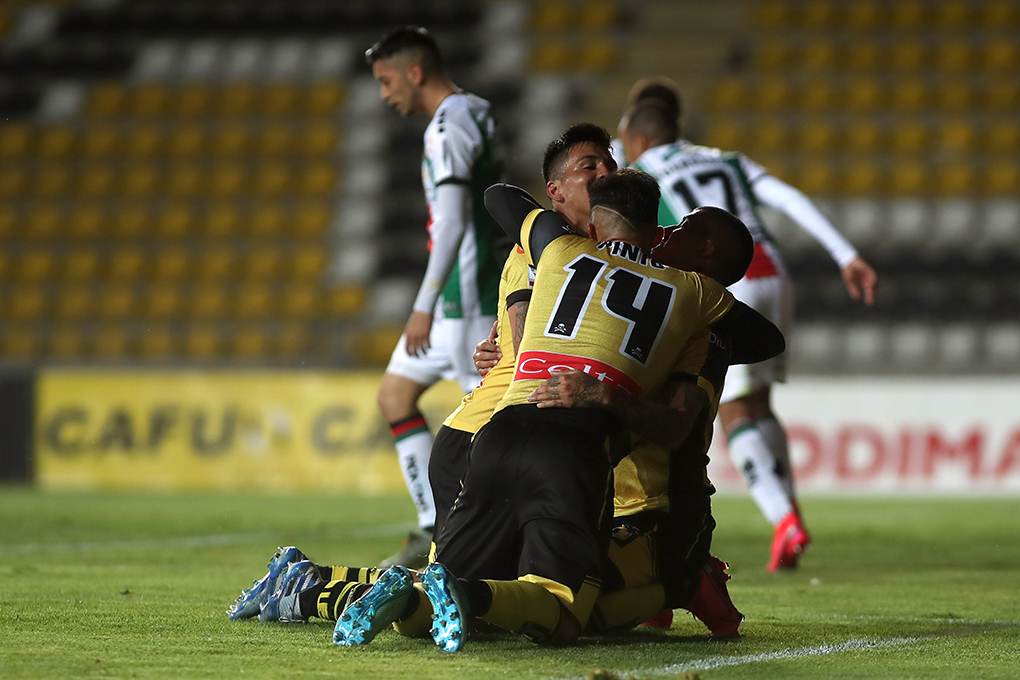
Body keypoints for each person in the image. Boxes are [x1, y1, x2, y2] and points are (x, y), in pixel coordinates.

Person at [334, 170, 756, 652]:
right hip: (573, 452)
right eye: (667, 224)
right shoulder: (696, 296)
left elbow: (501, 198)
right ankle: (464, 593)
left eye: (681, 228)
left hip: (494, 436)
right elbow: (764, 339)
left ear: (594, 226)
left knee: (453, 590)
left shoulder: (556, 251)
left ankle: (408, 600)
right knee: (567, 614)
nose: (669, 231)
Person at [225, 123, 618, 624]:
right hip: (483, 441)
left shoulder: (593, 256)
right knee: (443, 601)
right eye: (591, 166)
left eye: (609, 161)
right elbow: (529, 350)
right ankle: (306, 590)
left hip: (512, 438)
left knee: (483, 592)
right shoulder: (536, 254)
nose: (606, 171)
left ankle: (305, 575)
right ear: (555, 193)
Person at [618, 91, 879, 571]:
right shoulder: (727, 159)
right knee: (761, 403)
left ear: (637, 139)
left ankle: (783, 521)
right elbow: (790, 198)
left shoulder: (644, 171)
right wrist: (846, 255)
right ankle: (791, 513)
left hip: (725, 280)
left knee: (735, 409)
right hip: (773, 270)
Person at [367, 26, 504, 569]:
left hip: (466, 300)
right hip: (460, 296)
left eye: (386, 80)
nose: (383, 93)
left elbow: (449, 224)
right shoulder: (476, 112)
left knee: (485, 429)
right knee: (394, 397)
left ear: (415, 72)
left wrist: (422, 304)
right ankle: (434, 528)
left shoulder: (448, 125)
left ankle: (480, 539)